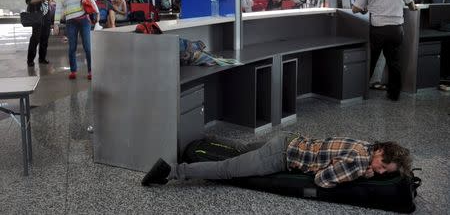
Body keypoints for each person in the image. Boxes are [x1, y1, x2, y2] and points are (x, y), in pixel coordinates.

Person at [141, 133, 412, 189]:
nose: (378, 173)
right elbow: (321, 180)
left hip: (287, 141)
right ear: (380, 154)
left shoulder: (364, 144)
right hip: (280, 156)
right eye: (383, 167)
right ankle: (172, 172)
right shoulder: (358, 163)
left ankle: (206, 140)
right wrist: (359, 175)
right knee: (227, 170)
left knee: (241, 150)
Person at [352, 0, 416, 101]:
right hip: (396, 30)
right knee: (394, 62)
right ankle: (394, 95)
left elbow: (355, 9)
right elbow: (412, 5)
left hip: (378, 30)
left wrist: (367, 7)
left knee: (371, 60)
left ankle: (363, 92)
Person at [54, 0, 99, 80]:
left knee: (87, 47)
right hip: (71, 22)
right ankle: (73, 70)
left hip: (84, 20)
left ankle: (90, 70)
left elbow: (91, 0)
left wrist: (97, 12)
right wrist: (56, 23)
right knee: (72, 47)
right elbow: (58, 9)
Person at [25, 0, 52, 67]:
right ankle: (30, 60)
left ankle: (42, 58)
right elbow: (28, 1)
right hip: (37, 14)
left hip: (46, 15)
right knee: (35, 38)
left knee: (45, 37)